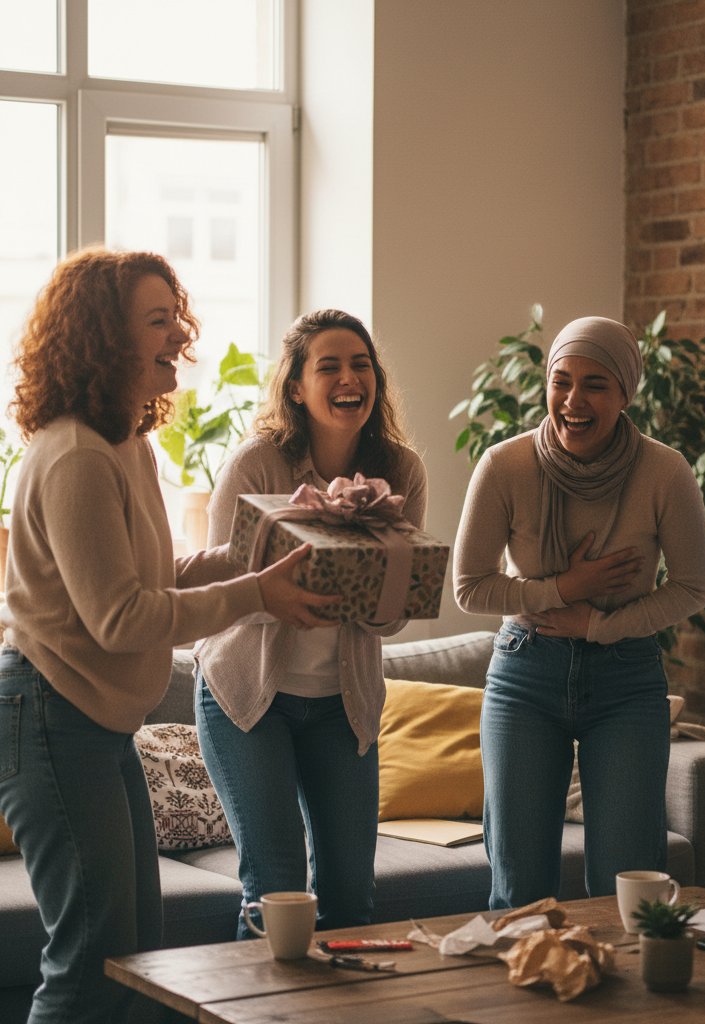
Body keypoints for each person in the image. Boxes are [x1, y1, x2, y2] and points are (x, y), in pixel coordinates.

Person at [0, 247, 338, 1024]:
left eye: (174, 315)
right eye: (158, 320)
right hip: (51, 722)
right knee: (91, 960)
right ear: (104, 338)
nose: (178, 334)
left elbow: (154, 573)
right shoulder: (78, 455)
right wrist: (255, 594)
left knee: (137, 960)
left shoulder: (124, 442)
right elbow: (120, 619)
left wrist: (252, 551)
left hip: (94, 725)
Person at [453, 315, 705, 909]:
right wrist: (565, 587)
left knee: (630, 886)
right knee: (519, 888)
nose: (573, 400)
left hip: (626, 678)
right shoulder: (504, 464)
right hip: (525, 674)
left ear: (626, 393)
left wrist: (599, 625)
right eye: (561, 380)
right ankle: (528, 998)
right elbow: (469, 587)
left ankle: (627, 1001)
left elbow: (694, 587)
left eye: (596, 384)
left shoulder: (665, 472)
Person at [194, 309, 426, 935]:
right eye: (329, 366)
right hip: (248, 698)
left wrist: (367, 592)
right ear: (296, 386)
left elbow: (393, 619)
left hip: (341, 707)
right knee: (275, 891)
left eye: (361, 364)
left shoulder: (402, 472)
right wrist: (281, 595)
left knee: (351, 898)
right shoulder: (255, 466)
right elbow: (220, 586)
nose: (350, 378)